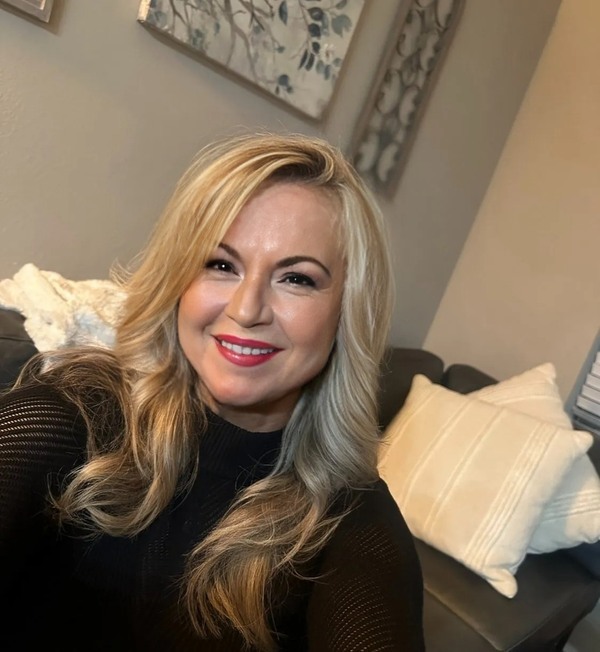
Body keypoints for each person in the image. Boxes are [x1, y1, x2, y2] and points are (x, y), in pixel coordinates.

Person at [0, 133, 424, 651]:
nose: (246, 310)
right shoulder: (70, 417)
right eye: (221, 265)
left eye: (296, 279)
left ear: (346, 313)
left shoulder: (353, 522)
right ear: (178, 281)